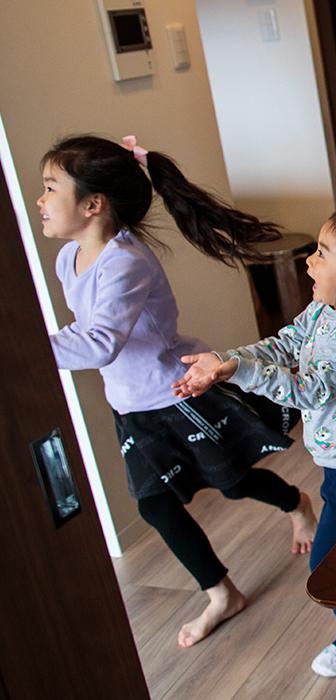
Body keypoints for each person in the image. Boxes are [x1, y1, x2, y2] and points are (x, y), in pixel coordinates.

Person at [39, 135, 318, 649]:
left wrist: (30, 348)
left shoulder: (126, 262)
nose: (40, 200)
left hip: (176, 394)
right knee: (156, 507)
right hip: (132, 406)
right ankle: (221, 593)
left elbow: (100, 341)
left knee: (231, 483)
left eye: (50, 187)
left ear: (93, 203)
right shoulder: (68, 261)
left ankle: (297, 502)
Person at [173, 201, 336, 677]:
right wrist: (224, 360)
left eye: (321, 253)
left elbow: (312, 387)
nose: (308, 261)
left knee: (330, 561)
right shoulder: (324, 309)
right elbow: (282, 345)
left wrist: (241, 371)